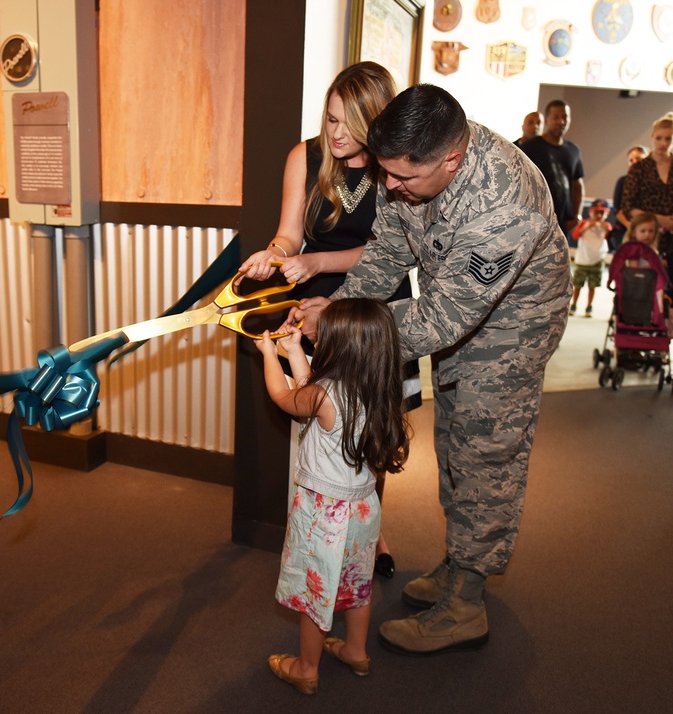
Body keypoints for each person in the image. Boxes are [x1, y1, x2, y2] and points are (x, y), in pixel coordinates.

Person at [290, 84, 572, 656]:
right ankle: (460, 564)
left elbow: (438, 320)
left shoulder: (504, 207)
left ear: (451, 158)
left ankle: (466, 604)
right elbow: (386, 253)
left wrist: (341, 328)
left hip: (514, 326)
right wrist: (340, 304)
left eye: (402, 179)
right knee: (452, 439)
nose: (389, 187)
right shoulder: (409, 167)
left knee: (486, 451)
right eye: (386, 173)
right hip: (458, 304)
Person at [236, 61, 419, 579]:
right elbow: (289, 233)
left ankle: (368, 531)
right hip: (315, 306)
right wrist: (275, 254)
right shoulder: (306, 155)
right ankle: (319, 525)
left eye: (349, 123)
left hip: (372, 307)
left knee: (373, 432)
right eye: (330, 118)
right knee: (319, 422)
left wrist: (318, 261)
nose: (336, 134)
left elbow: (391, 249)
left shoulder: (394, 165)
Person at [259, 299, 410, 695]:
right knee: (357, 583)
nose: (317, 338)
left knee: (316, 591)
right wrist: (293, 350)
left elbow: (285, 397)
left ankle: (307, 668)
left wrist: (267, 354)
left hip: (323, 514)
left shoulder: (324, 394)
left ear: (340, 347)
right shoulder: (379, 389)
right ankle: (356, 651)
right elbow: (315, 391)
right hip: (363, 509)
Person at [621, 113, 673, 296]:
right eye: (659, 138)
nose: (663, 143)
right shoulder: (639, 169)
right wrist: (659, 220)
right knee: (643, 289)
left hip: (671, 236)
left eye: (668, 139)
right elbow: (628, 206)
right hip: (645, 235)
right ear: (652, 137)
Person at [522, 99, 585, 239]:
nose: (561, 122)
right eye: (556, 117)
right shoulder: (530, 147)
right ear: (547, 119)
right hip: (536, 223)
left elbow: (578, 185)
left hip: (564, 225)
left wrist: (576, 216)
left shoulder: (573, 150)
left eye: (565, 117)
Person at [570, 198, 612, 317]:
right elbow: (576, 235)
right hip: (582, 259)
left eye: (602, 213)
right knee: (577, 285)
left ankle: (589, 306)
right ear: (590, 212)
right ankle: (574, 304)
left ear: (607, 214)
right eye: (596, 212)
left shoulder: (606, 225)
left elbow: (609, 236)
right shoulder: (584, 223)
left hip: (597, 259)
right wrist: (588, 226)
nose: (598, 215)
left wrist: (604, 227)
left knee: (592, 286)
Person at [608, 145, 648, 250]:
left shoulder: (652, 183)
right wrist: (630, 226)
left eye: (638, 159)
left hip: (647, 230)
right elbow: (617, 209)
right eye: (631, 160)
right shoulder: (622, 181)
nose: (634, 162)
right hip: (624, 228)